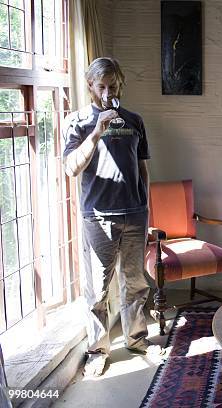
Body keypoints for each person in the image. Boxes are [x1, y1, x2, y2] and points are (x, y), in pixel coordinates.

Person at [63, 57, 161, 377]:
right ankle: (97, 350)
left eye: (113, 86)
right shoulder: (77, 121)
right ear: (90, 85)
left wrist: (146, 206)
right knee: (98, 290)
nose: (107, 92)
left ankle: (135, 339)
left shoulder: (134, 119)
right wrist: (96, 131)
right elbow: (71, 168)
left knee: (134, 283)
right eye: (101, 86)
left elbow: (141, 166)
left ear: (120, 86)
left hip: (134, 215)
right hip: (98, 217)